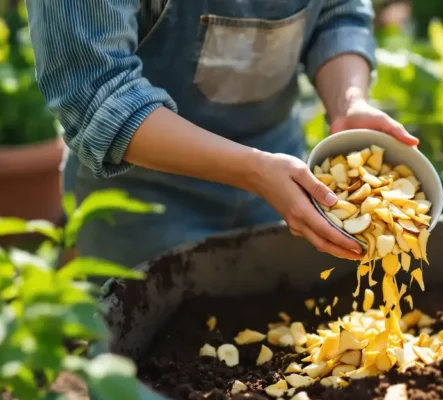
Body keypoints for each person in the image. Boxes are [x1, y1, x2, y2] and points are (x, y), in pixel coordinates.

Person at [26, 0, 418, 269]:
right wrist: (253, 170)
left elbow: (337, 11)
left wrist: (348, 103)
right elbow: (97, 92)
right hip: (142, 209)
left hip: (284, 184)